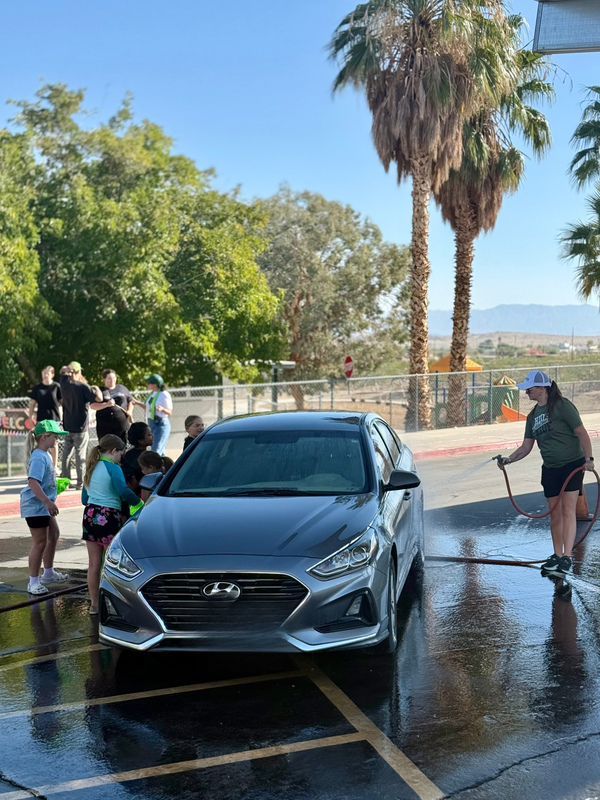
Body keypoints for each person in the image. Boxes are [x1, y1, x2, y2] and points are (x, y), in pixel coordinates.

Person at [496, 370, 594, 576]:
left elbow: (581, 433)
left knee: (568, 511)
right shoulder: (532, 416)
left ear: (541, 388)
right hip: (550, 468)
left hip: (571, 465)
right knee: (554, 514)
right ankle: (557, 555)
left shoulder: (562, 406)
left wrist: (588, 459)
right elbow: (526, 447)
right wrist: (509, 459)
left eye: (529, 388)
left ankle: (567, 556)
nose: (526, 393)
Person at [82, 434, 141, 615]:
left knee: (93, 564)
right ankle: (114, 605)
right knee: (111, 563)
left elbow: (85, 498)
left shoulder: (92, 467)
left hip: (90, 515)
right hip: (108, 516)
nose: (120, 459)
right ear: (114, 451)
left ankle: (94, 604)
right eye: (120, 455)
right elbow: (122, 490)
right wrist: (138, 503)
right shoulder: (113, 468)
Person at [20, 420, 70, 595]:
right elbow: (33, 482)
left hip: (42, 504)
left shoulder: (45, 454)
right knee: (40, 542)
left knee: (53, 535)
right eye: (55, 437)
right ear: (44, 437)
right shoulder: (39, 457)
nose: (58, 440)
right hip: (36, 505)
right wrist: (47, 502)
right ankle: (33, 581)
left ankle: (48, 573)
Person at [59, 362, 101, 490]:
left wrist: (67, 369)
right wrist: (97, 389)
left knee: (66, 455)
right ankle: (80, 482)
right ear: (78, 373)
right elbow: (98, 399)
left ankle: (65, 481)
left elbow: (62, 371)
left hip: (67, 426)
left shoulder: (64, 384)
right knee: (80, 456)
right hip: (81, 428)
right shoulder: (83, 386)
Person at [28, 366, 62, 466]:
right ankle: (42, 464)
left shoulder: (56, 387)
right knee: (41, 443)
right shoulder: (37, 388)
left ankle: (54, 466)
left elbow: (63, 402)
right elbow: (32, 403)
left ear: (52, 375)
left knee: (54, 443)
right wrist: (30, 417)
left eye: (47, 373)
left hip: (54, 419)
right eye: (43, 373)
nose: (45, 375)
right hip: (41, 420)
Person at [94, 369, 134, 443]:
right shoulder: (100, 390)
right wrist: (106, 405)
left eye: (114, 377)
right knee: (106, 445)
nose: (112, 380)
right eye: (109, 378)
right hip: (105, 424)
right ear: (104, 379)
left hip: (121, 423)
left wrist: (130, 411)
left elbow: (131, 401)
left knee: (123, 444)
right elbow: (93, 405)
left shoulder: (122, 388)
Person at [142, 374, 172, 456]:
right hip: (151, 424)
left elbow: (169, 411)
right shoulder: (152, 394)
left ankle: (156, 468)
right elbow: (148, 408)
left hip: (160, 423)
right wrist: (137, 403)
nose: (147, 385)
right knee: (160, 452)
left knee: (156, 450)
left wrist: (162, 409)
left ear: (154, 384)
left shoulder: (164, 394)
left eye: (148, 383)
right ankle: (165, 468)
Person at [121, 422, 154, 493]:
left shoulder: (128, 454)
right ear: (141, 441)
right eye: (149, 435)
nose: (152, 436)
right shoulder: (146, 457)